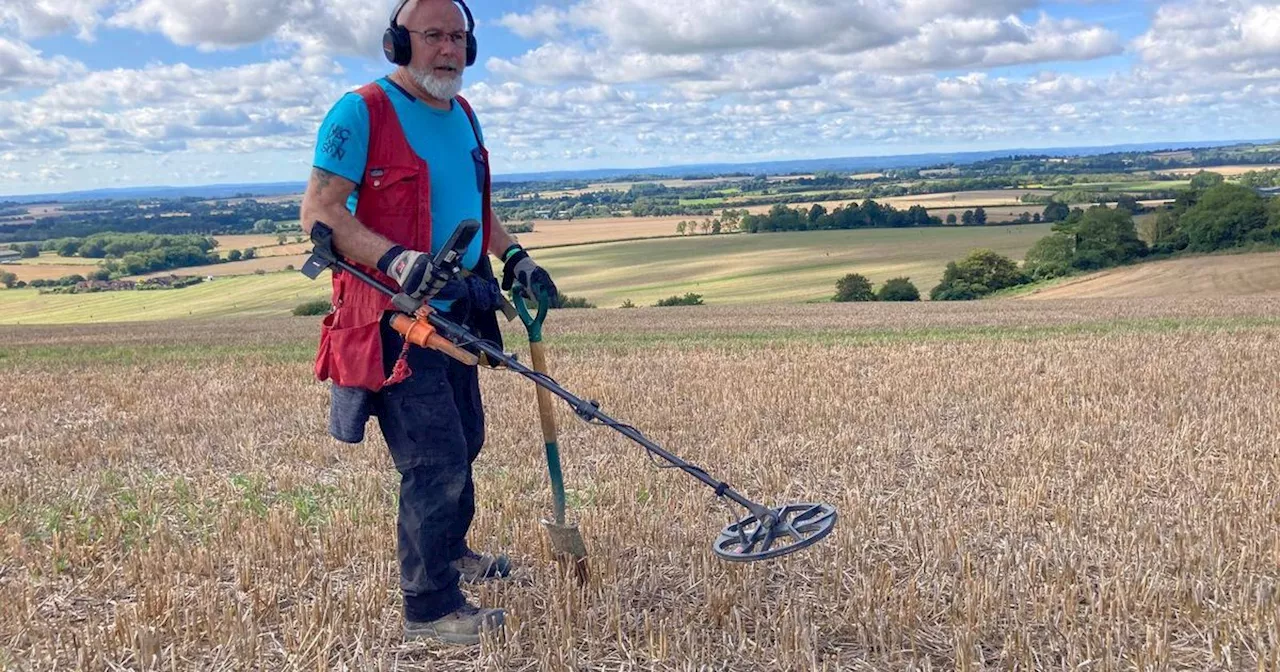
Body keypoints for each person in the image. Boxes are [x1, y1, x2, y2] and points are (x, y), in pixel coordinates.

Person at [298, 0, 558, 646]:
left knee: (466, 438)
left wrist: (515, 258)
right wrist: (394, 258)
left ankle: (452, 550)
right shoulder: (361, 112)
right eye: (433, 35)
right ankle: (430, 607)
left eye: (458, 37)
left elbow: (474, 207)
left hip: (460, 309)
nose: (447, 48)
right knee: (434, 458)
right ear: (398, 42)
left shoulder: (463, 115)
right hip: (394, 317)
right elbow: (319, 214)